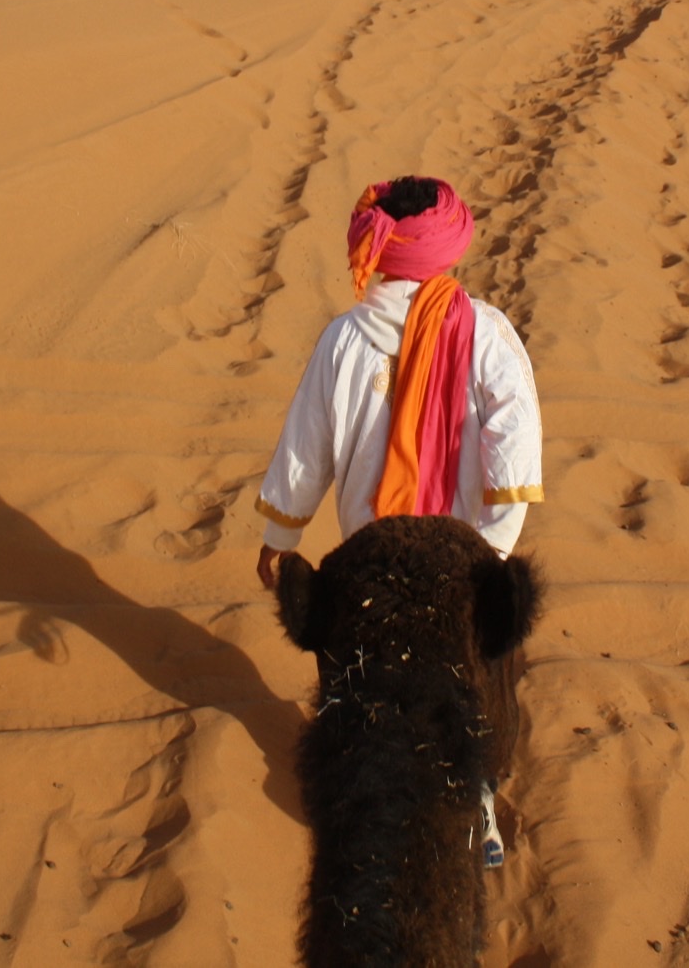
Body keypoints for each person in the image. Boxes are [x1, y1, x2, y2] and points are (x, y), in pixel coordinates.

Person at [254, 174, 543, 867]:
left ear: (377, 249)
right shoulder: (488, 333)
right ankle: (477, 810)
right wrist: (494, 548)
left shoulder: (343, 339)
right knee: (472, 679)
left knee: (368, 685)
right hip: (461, 561)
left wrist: (279, 538)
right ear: (450, 243)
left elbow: (306, 449)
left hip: (371, 560)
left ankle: (370, 811)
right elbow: (517, 444)